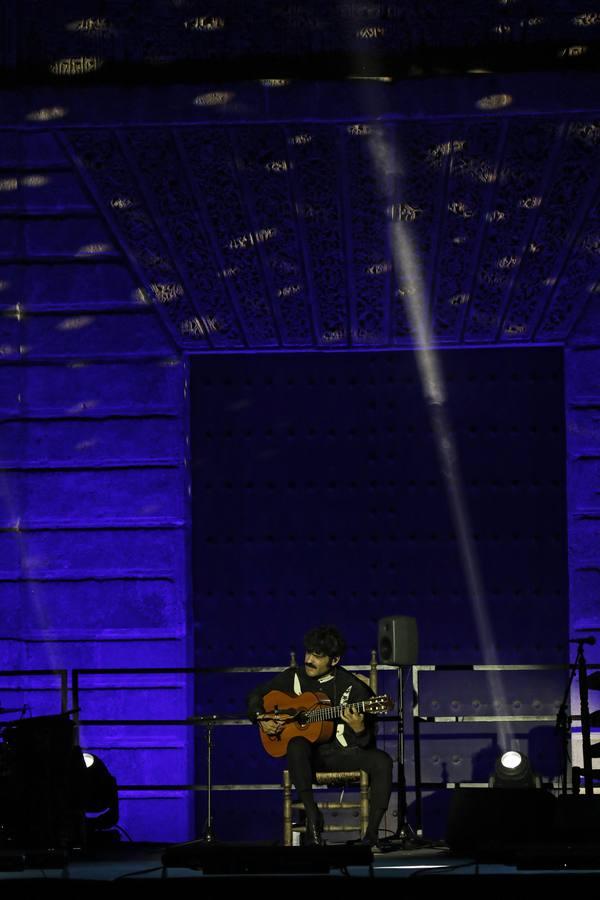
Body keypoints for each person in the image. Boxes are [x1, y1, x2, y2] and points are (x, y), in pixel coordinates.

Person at [247, 624, 393, 847]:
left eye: (317, 656)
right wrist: (261, 718)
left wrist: (359, 729)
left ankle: (371, 835)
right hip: (306, 759)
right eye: (308, 653)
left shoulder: (354, 688)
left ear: (334, 661)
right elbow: (256, 695)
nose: (309, 660)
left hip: (341, 754)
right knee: (296, 743)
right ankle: (313, 815)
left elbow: (367, 743)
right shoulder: (293, 677)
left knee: (382, 761)